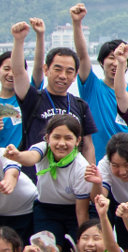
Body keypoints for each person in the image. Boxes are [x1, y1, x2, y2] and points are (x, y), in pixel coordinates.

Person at [9, 21, 97, 169]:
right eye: (57, 69)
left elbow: (87, 146)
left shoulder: (80, 106)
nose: (63, 75)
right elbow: (18, 72)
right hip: (36, 176)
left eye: (69, 71)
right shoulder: (33, 99)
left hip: (70, 178)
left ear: (75, 75)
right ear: (46, 70)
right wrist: (18, 40)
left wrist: (89, 175)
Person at [4, 114, 92, 252]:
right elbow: (31, 157)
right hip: (46, 210)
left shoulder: (81, 167)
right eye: (56, 137)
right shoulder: (44, 149)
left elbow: (81, 212)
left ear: (78, 141)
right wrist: (17, 156)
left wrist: (83, 239)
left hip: (74, 210)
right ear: (47, 138)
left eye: (68, 138)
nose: (61, 143)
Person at [70, 2, 128, 156]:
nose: (115, 63)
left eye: (120, 58)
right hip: (96, 162)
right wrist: (77, 23)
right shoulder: (92, 87)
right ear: (102, 62)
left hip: (127, 162)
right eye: (111, 58)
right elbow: (82, 56)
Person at [0, 51, 27, 151]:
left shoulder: (28, 99)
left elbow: (38, 72)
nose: (11, 74)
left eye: (16, 70)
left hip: (24, 157)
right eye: (6, 69)